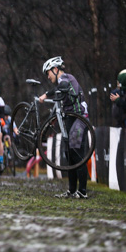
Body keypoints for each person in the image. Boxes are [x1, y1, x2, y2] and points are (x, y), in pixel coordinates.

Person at [39, 56, 90, 198]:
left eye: (48, 73)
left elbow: (63, 87)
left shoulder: (65, 78)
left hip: (80, 117)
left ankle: (83, 191)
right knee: (69, 154)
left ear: (55, 69)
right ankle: (72, 190)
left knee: (77, 153)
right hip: (70, 116)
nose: (48, 77)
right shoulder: (62, 80)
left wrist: (46, 94)